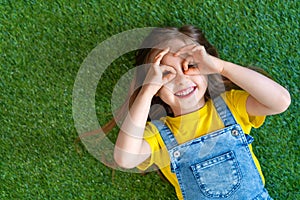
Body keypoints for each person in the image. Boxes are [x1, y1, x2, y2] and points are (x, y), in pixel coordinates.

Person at [110, 25, 290, 199]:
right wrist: (146, 91)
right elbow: (125, 158)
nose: (181, 80)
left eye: (189, 65)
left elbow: (280, 101)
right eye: (166, 74)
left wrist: (221, 67)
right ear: (156, 88)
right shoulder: (158, 135)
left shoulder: (232, 105)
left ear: (205, 68)